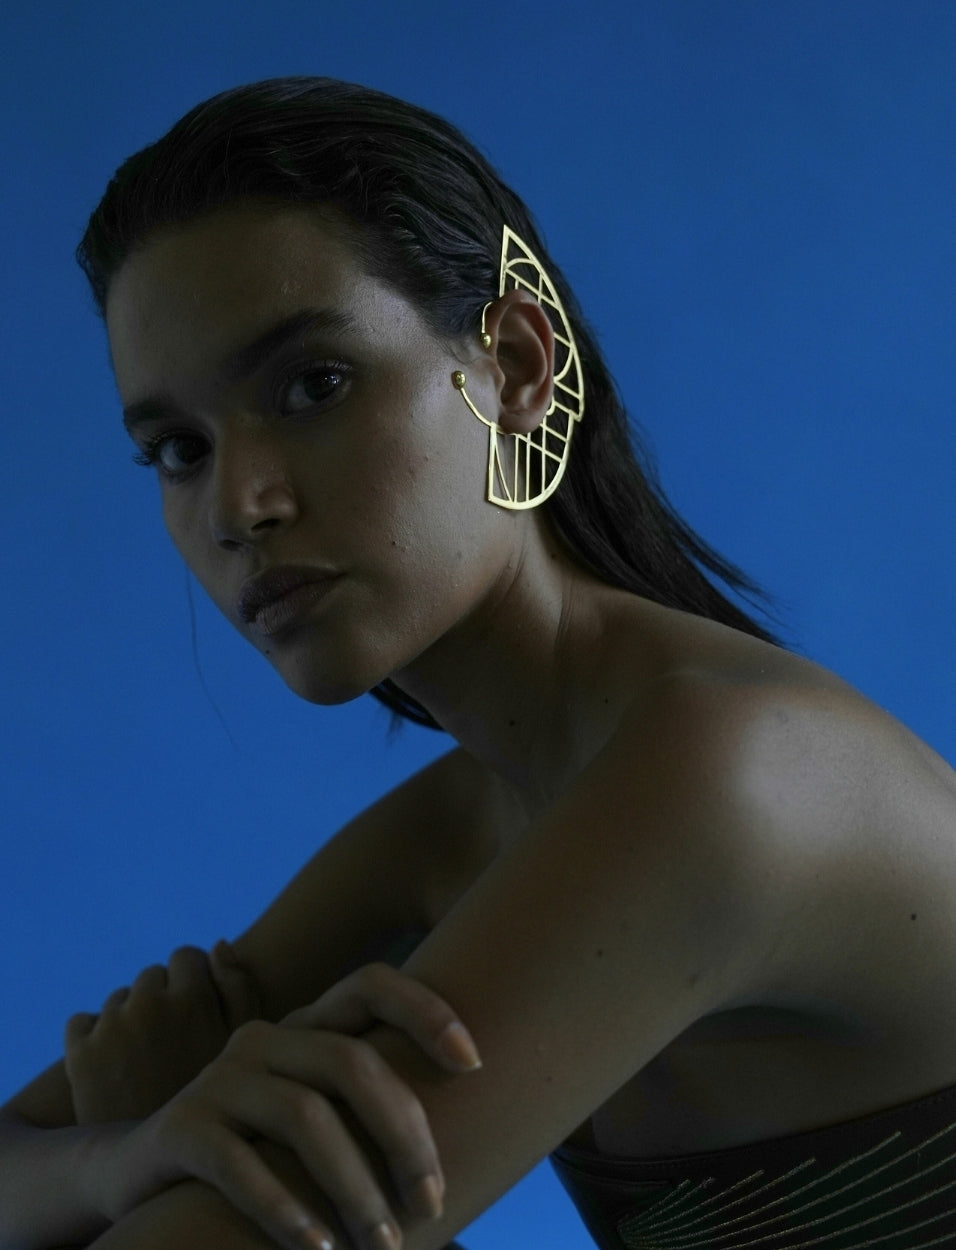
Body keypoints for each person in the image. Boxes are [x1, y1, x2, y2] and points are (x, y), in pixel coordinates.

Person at [2, 75, 956, 1250]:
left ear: (511, 363)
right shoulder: (452, 836)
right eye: (177, 449)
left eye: (312, 385)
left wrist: (160, 1144)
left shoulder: (731, 775)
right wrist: (121, 1154)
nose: (239, 504)